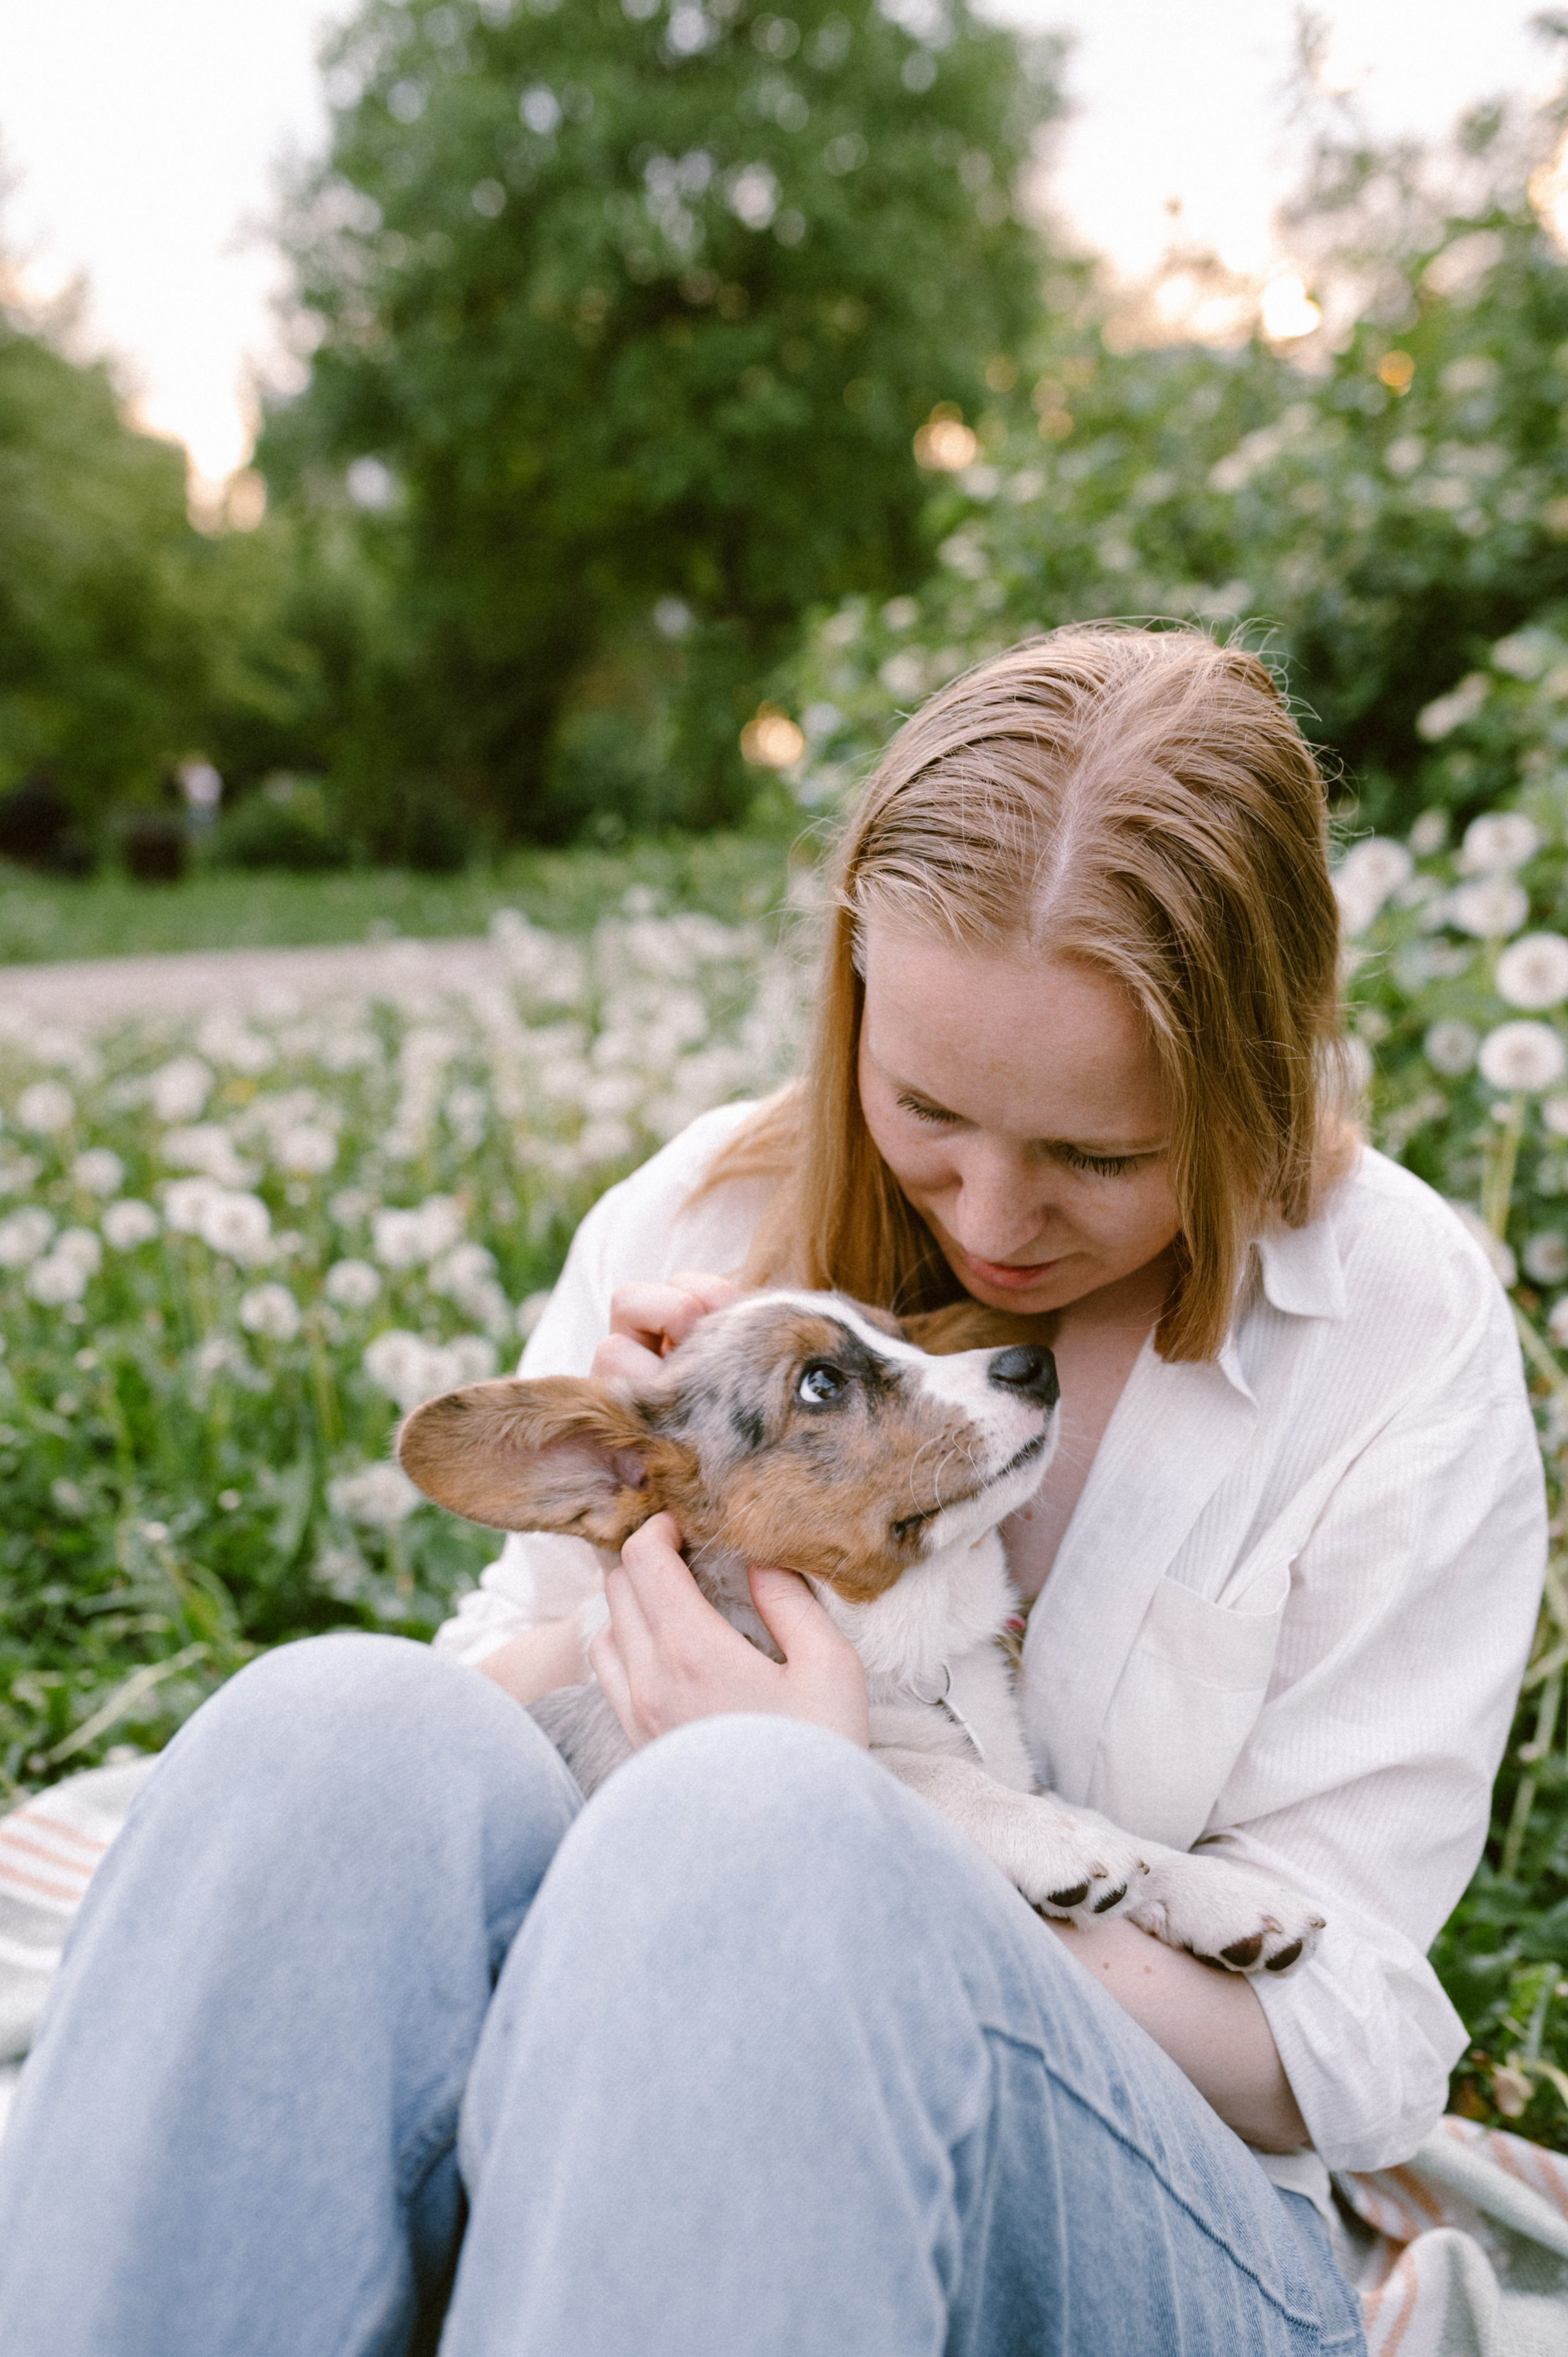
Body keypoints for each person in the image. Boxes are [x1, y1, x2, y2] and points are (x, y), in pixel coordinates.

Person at [0, 625, 1543, 2355]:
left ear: (1254, 1079)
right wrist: (635, 1601)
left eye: (1102, 1156)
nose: (992, 1216)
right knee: (333, 1730)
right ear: (857, 1000)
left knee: (758, 1840)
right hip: (623, 2124)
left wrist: (866, 1839)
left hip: (1142, 2213)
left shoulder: (1390, 1325)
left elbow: (1350, 2054)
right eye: (927, 1108)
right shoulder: (705, 1233)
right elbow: (477, 1742)